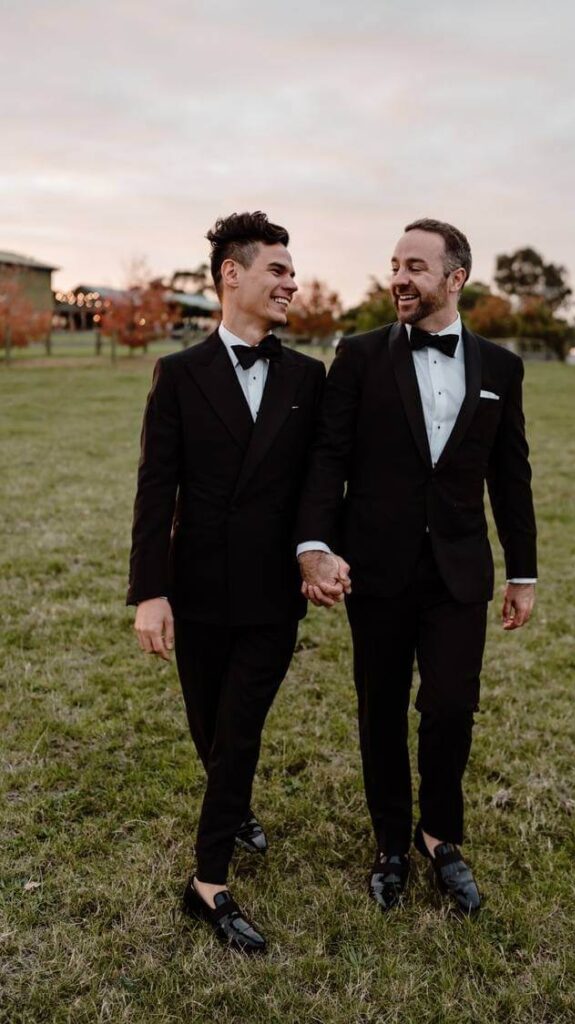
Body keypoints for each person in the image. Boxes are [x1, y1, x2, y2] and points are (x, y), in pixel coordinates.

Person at [297, 218, 537, 913]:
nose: (398, 278)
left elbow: (510, 477)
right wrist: (314, 546)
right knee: (379, 709)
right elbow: (328, 459)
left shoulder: (501, 367)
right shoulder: (360, 354)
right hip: (373, 565)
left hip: (459, 569)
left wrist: (522, 573)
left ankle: (440, 838)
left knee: (451, 708)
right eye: (393, 264)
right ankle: (389, 844)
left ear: (454, 279)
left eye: (415, 266)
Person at [127, 212, 327, 952]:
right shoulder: (178, 374)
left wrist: (316, 548)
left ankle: (206, 883)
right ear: (231, 275)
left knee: (240, 727)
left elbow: (318, 481)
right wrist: (150, 591)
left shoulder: (309, 376)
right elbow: (156, 489)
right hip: (197, 586)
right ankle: (232, 802)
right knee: (209, 726)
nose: (291, 282)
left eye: (292, 271)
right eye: (278, 269)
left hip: (274, 593)